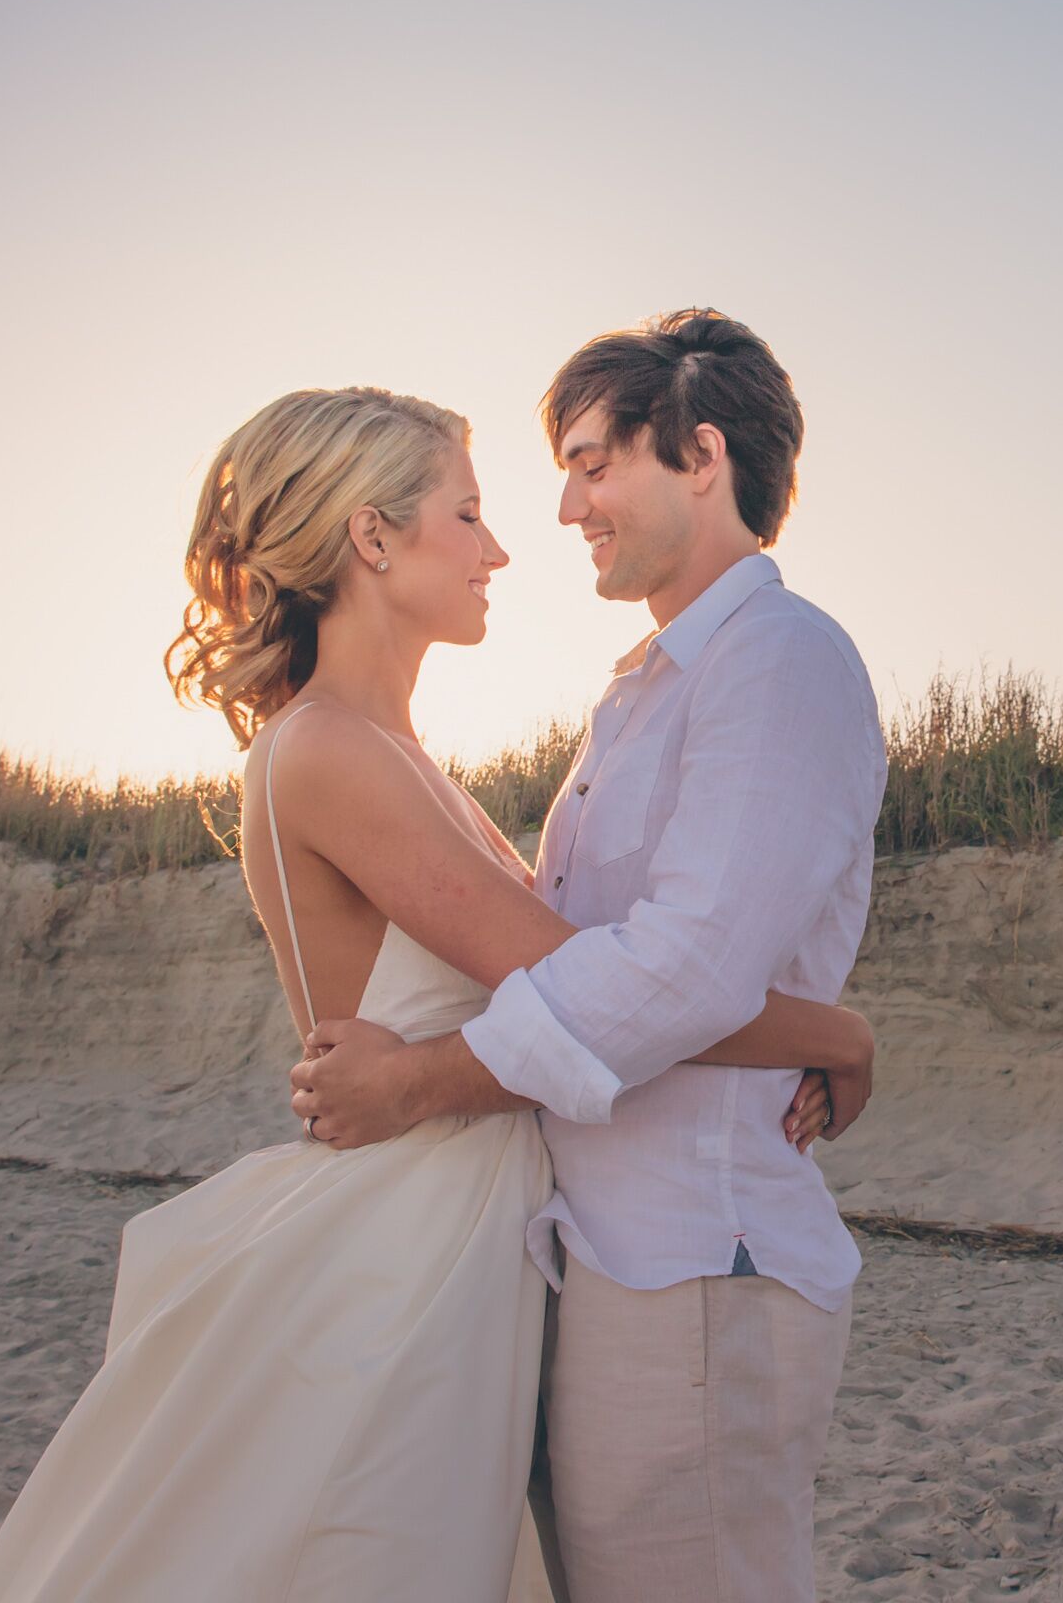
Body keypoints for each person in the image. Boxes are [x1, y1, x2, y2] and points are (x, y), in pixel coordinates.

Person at [0, 382, 873, 1602]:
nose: (501, 545)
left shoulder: (384, 749)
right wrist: (832, 1029)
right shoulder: (330, 749)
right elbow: (598, 982)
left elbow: (611, 987)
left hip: (478, 1239)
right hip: (409, 1245)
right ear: (372, 536)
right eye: (469, 510)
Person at [292, 311, 887, 1603]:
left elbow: (685, 969)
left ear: (702, 454)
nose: (564, 507)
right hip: (615, 1261)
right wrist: (834, 1035)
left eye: (591, 462)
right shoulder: (645, 692)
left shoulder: (780, 662)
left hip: (698, 1270)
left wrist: (420, 1082)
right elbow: (586, 957)